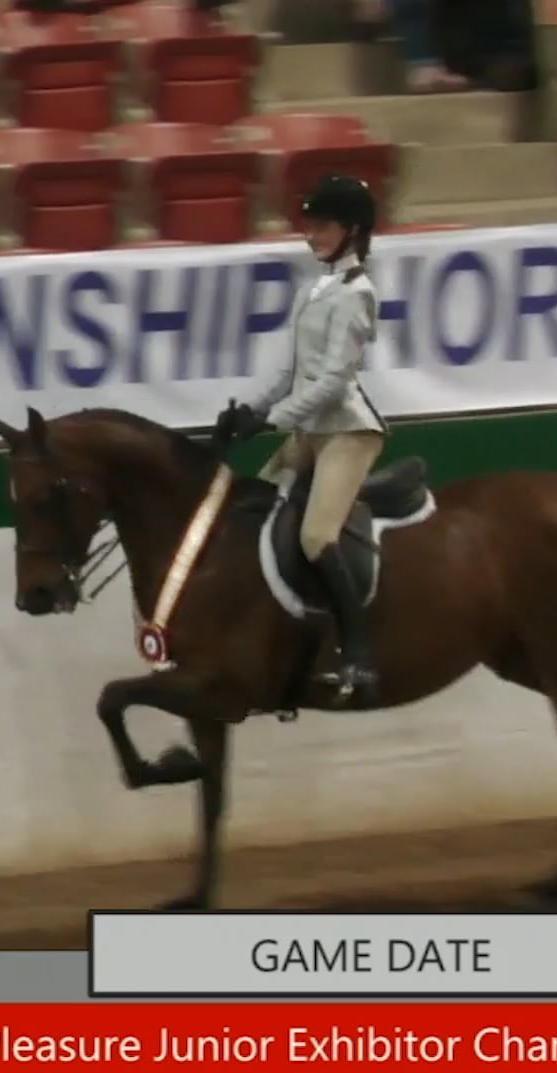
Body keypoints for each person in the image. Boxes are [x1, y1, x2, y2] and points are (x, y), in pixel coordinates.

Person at [216, 174, 388, 703]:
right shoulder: (314, 289)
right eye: (309, 225)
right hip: (309, 429)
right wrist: (249, 409)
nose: (310, 235)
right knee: (248, 516)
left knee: (316, 538)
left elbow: (334, 381)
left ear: (352, 230)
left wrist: (273, 422)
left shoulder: (357, 295)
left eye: (322, 226)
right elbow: (290, 370)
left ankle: (357, 653)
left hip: (347, 434)